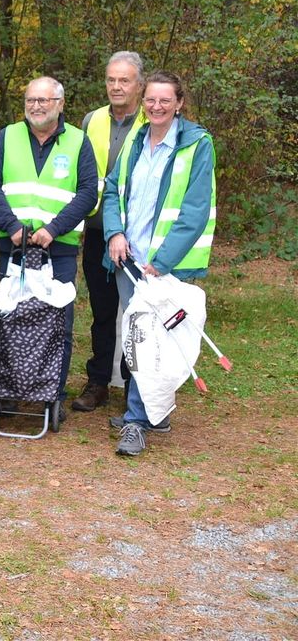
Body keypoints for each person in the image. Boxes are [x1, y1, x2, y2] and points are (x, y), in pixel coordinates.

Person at [104, 71, 215, 457]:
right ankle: (155, 412)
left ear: (180, 103)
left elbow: (195, 211)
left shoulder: (197, 145)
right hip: (128, 259)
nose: (156, 106)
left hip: (166, 266)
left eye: (165, 100)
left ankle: (137, 421)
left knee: (151, 340)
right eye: (150, 99)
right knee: (138, 337)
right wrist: (114, 234)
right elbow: (112, 189)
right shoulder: (136, 140)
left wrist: (162, 262)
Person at [0, 77, 98, 411]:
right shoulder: (8, 136)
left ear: (60, 103)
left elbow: (89, 191)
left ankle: (52, 395)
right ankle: (6, 389)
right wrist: (10, 225)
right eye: (31, 100)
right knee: (9, 317)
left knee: (57, 322)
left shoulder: (78, 141)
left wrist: (55, 228)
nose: (36, 106)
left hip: (57, 248)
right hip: (14, 246)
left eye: (44, 100)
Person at [75, 51, 147, 412]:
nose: (116, 87)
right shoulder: (92, 120)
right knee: (103, 313)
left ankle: (135, 383)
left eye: (124, 80)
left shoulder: (153, 119)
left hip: (137, 237)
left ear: (139, 84)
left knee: (138, 314)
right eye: (111, 80)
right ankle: (99, 381)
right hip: (97, 231)